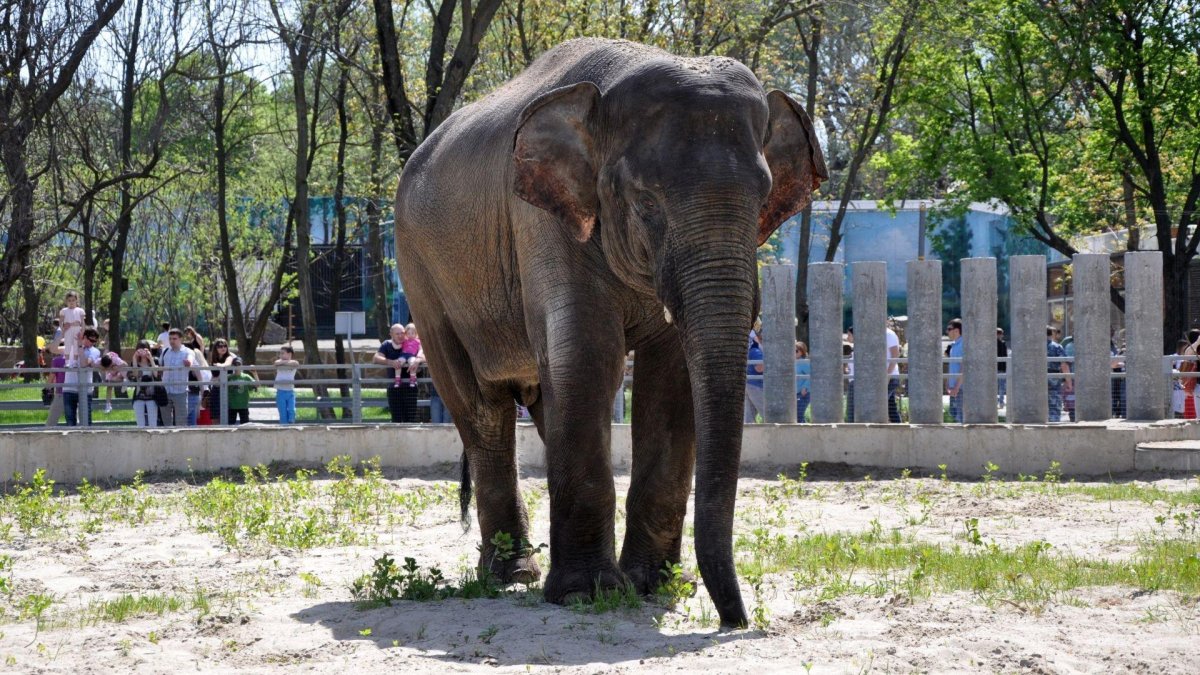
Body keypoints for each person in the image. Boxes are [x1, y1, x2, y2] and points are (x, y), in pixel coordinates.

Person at [373, 323, 419, 422]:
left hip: (410, 388)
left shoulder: (412, 342)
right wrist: (390, 362)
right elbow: (376, 358)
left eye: (402, 333)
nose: (400, 336)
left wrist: (417, 361)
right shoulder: (387, 344)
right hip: (394, 387)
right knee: (396, 419)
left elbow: (424, 355)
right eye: (397, 334)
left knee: (410, 419)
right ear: (391, 334)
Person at [62, 327, 101, 426]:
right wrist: (61, 333)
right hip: (69, 388)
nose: (93, 343)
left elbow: (84, 364)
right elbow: (52, 349)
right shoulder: (70, 347)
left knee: (86, 422)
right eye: (91, 340)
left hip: (85, 390)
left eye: (95, 341)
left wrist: (80, 346)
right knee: (70, 423)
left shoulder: (95, 351)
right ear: (84, 337)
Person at [160, 328, 196, 426]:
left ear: (181, 339)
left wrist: (188, 362)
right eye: (170, 339)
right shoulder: (165, 351)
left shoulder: (188, 352)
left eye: (174, 339)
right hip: (165, 391)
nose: (172, 341)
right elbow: (160, 368)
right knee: (166, 422)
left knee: (181, 423)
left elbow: (191, 359)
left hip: (180, 392)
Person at [130, 341, 159, 427]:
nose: (142, 352)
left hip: (152, 396)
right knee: (140, 425)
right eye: (140, 349)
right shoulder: (135, 362)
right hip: (139, 395)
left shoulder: (154, 360)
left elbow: (156, 374)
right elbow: (135, 375)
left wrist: (150, 359)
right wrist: (134, 358)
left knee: (153, 424)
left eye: (145, 349)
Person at [1047, 325, 1072, 422]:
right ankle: (1053, 425)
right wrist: (1068, 382)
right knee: (1054, 404)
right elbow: (1064, 365)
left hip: (1036, 378)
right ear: (1051, 334)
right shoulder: (1057, 346)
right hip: (1054, 377)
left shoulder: (1034, 348)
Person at [208, 339, 236, 423]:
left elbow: (227, 364)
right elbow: (213, 376)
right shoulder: (214, 359)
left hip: (227, 389)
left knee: (227, 417)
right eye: (220, 346)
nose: (223, 348)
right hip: (216, 389)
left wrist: (221, 365)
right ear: (215, 348)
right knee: (215, 416)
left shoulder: (229, 356)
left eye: (225, 346)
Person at [273, 346, 299, 424]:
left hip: (290, 391)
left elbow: (296, 363)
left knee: (292, 410)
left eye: (282, 353)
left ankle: (291, 425)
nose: (280, 355)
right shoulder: (279, 361)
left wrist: (285, 362)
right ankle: (284, 427)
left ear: (289, 354)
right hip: (280, 391)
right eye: (280, 353)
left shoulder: (293, 362)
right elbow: (276, 363)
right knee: (282, 412)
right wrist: (285, 362)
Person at [58, 291, 86, 361]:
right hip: (68, 330)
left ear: (76, 300)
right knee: (67, 345)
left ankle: (75, 362)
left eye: (73, 300)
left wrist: (82, 332)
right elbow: (60, 322)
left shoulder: (80, 310)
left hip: (77, 330)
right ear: (66, 301)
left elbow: (82, 322)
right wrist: (63, 330)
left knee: (76, 346)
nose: (71, 302)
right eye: (69, 300)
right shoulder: (64, 310)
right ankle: (67, 362)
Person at [226, 357, 255, 424]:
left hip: (243, 405)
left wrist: (254, 373)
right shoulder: (229, 377)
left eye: (239, 364)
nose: (237, 366)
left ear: (242, 365)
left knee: (245, 425)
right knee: (230, 424)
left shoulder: (246, 376)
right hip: (232, 405)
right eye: (235, 364)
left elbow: (257, 385)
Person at [744, 332, 765, 423]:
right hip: (755, 386)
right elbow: (759, 368)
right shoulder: (756, 351)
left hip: (748, 384)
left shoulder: (750, 350)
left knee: (749, 416)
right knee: (766, 412)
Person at [44, 343, 67, 427]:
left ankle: (47, 437)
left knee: (51, 421)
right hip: (74, 392)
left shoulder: (57, 360)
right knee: (73, 419)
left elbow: (51, 377)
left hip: (60, 392)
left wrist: (46, 388)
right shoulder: (74, 358)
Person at [946, 319, 964, 423]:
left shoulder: (963, 344)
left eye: (949, 329)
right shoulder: (954, 345)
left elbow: (963, 367)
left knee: (961, 417)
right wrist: (948, 382)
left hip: (961, 387)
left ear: (956, 330)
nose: (947, 332)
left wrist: (957, 387)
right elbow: (952, 365)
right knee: (954, 414)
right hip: (954, 387)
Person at [886, 323, 902, 423]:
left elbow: (895, 354)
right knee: (891, 407)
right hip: (886, 376)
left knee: (880, 404)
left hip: (890, 376)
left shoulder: (889, 334)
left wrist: (887, 375)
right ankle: (898, 428)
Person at [795, 341, 811, 423]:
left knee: (798, 415)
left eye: (796, 351)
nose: (794, 353)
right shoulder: (794, 362)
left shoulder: (804, 362)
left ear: (802, 352)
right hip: (796, 393)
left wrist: (805, 387)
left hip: (804, 393)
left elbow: (811, 375)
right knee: (797, 416)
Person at [844, 327, 855, 422]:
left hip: (855, 382)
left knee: (851, 409)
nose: (847, 338)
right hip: (852, 381)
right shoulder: (854, 350)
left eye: (849, 335)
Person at [996, 327, 1009, 407]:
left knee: (998, 386)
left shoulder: (993, 343)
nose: (1002, 336)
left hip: (997, 367)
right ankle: (1000, 402)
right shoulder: (1002, 343)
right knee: (1001, 386)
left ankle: (999, 401)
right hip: (1001, 367)